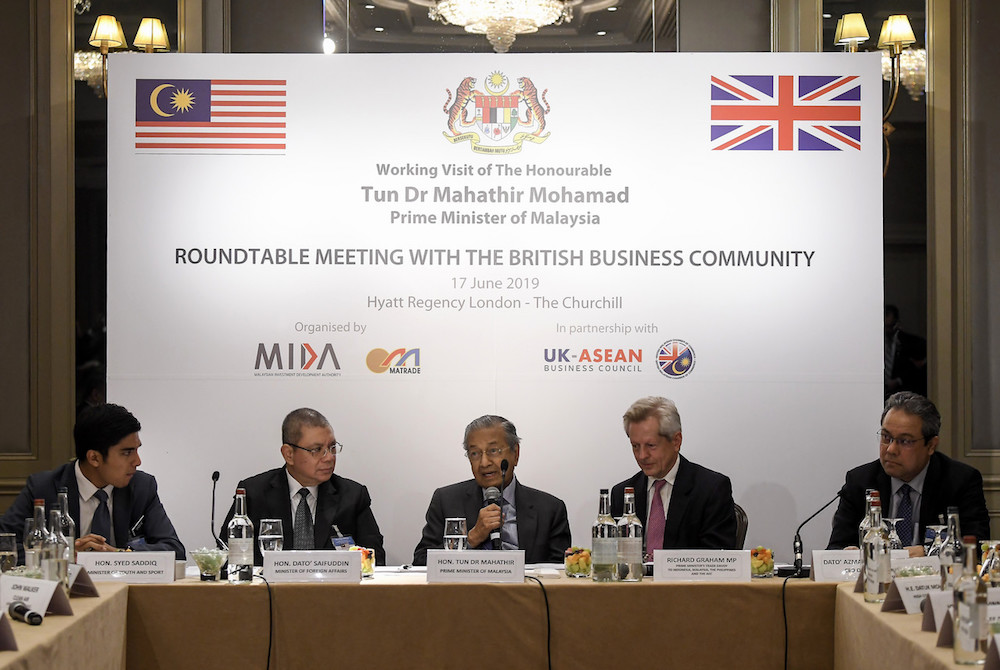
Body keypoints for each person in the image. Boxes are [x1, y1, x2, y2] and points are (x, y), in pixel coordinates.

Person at [0, 402, 185, 559]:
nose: (137, 461)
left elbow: (174, 550)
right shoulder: (43, 488)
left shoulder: (143, 487)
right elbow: (4, 545)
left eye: (137, 450)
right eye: (127, 452)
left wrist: (121, 555)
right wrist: (65, 555)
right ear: (94, 458)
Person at [827, 391, 990, 553]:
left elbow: (976, 545)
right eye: (886, 437)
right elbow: (836, 547)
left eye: (904, 441)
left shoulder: (960, 481)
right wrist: (847, 554)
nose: (890, 449)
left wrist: (928, 552)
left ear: (931, 445)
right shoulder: (860, 481)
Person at [221, 408, 385, 565]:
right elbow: (228, 556)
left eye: (332, 448)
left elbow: (375, 559)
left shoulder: (352, 497)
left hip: (334, 592)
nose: (329, 458)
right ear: (289, 454)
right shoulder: (253, 494)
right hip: (269, 591)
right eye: (317, 449)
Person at [412, 415, 571, 566]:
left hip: (526, 593)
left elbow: (560, 575)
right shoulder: (446, 501)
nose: (484, 462)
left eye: (493, 451)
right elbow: (421, 562)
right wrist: (472, 538)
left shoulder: (550, 509)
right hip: (465, 593)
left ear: (515, 454)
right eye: (475, 453)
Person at [611, 396, 738, 555]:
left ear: (676, 441)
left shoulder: (711, 489)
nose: (642, 455)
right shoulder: (622, 493)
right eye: (635, 446)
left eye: (651, 445)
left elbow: (717, 558)